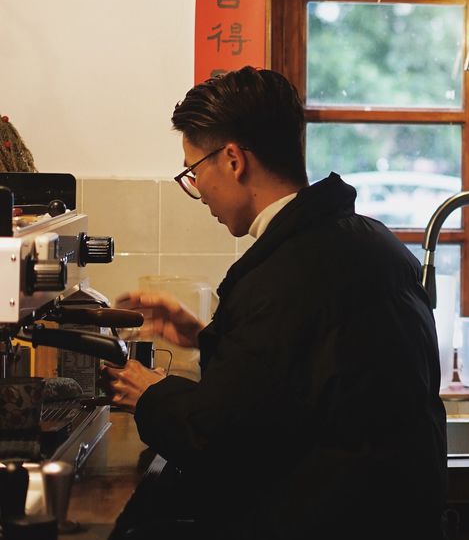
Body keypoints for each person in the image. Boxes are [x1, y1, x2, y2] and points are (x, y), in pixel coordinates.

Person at [105, 67, 448, 539]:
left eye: (193, 171)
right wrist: (205, 336)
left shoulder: (283, 274)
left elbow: (219, 437)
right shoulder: (371, 242)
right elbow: (302, 376)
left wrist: (150, 394)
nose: (196, 190)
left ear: (231, 160)